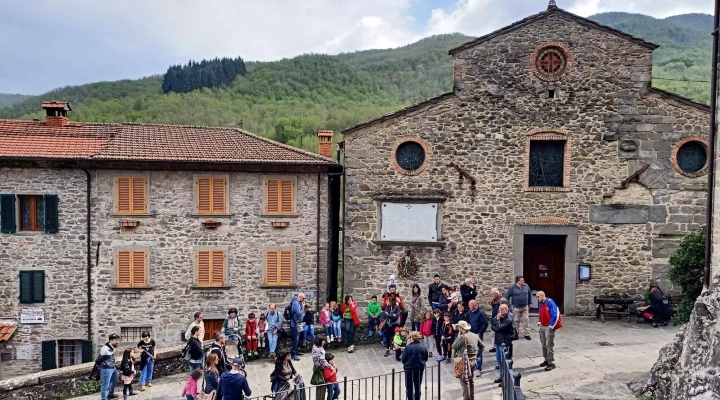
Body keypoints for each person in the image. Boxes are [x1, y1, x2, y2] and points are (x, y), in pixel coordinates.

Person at [452, 320, 482, 400]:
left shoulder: (462, 337)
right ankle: (472, 397)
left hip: (464, 361)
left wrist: (458, 335)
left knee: (464, 381)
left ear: (461, 329)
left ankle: (466, 398)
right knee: (471, 379)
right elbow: (482, 346)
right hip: (473, 360)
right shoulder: (475, 335)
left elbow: (454, 346)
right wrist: (477, 355)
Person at [537, 291, 561, 371]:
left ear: (542, 295)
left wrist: (551, 325)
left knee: (549, 344)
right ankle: (546, 359)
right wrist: (539, 322)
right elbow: (541, 313)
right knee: (543, 344)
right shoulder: (541, 303)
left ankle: (551, 362)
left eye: (538, 297)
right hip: (542, 326)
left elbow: (555, 314)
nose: (537, 298)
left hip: (549, 327)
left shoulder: (550, 303)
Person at [491, 304, 514, 385]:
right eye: (500, 309)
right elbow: (493, 326)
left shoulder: (508, 318)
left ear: (507, 310)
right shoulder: (499, 316)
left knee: (503, 361)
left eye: (503, 309)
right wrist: (497, 322)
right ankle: (501, 376)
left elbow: (500, 328)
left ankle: (505, 379)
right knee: (498, 360)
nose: (501, 311)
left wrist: (497, 320)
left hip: (504, 342)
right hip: (498, 341)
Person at [401, 331, 429, 400]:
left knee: (409, 387)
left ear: (412, 338)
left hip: (409, 369)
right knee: (417, 386)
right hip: (419, 369)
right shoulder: (423, 347)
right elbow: (426, 358)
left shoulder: (408, 348)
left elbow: (403, 359)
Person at [506, 276, 532, 340]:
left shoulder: (526, 286)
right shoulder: (512, 287)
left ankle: (527, 334)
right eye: (521, 281)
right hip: (516, 307)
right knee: (516, 321)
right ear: (517, 281)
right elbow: (507, 296)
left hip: (525, 306)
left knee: (526, 319)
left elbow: (529, 294)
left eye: (523, 280)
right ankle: (516, 334)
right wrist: (507, 305)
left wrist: (530, 302)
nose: (523, 282)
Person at [466, 300, 488, 376]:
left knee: (478, 351)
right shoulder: (469, 312)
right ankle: (472, 366)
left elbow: (485, 324)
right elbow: (468, 322)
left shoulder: (481, 313)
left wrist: (480, 332)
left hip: (478, 334)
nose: (469, 306)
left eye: (470, 305)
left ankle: (478, 368)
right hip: (470, 334)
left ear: (475, 305)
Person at [97, 333, 120, 400]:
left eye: (117, 340)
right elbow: (99, 360)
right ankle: (104, 398)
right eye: (116, 340)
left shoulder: (113, 347)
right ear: (111, 340)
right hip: (106, 369)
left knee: (115, 380)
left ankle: (110, 394)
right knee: (105, 385)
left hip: (113, 368)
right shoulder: (104, 349)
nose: (117, 342)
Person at [289, 292, 306, 361]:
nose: (304, 299)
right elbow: (299, 313)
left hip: (298, 324)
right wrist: (303, 306)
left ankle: (296, 351)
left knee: (297, 339)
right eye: (303, 298)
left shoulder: (298, 303)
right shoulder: (296, 303)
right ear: (300, 297)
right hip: (294, 324)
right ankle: (293, 354)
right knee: (295, 339)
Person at [488, 288, 502, 354]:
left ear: (496, 294)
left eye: (493, 294)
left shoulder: (501, 301)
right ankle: (494, 347)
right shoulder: (494, 301)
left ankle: (497, 347)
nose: (492, 295)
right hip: (494, 319)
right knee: (492, 334)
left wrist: (498, 318)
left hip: (498, 320)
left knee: (496, 334)